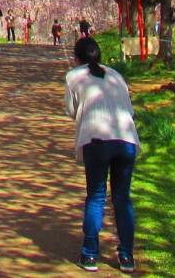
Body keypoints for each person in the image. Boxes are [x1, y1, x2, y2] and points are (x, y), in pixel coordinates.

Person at [65, 36, 139, 273]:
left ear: (77, 58)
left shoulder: (74, 76)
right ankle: (127, 256)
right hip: (126, 139)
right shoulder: (116, 75)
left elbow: (71, 110)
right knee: (122, 198)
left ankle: (89, 255)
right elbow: (130, 109)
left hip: (96, 140)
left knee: (96, 197)